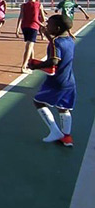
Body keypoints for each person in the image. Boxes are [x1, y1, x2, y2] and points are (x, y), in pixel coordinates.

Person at [28, 14, 76, 146]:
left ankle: (55, 131)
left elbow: (54, 61)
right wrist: (47, 35)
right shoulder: (70, 40)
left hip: (56, 82)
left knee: (38, 102)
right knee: (63, 108)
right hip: (69, 81)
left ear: (57, 28)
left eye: (49, 24)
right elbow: (57, 45)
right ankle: (66, 138)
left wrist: (36, 66)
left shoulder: (56, 42)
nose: (46, 25)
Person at [15, 0, 47, 74]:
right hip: (33, 27)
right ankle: (24, 66)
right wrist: (43, 25)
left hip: (24, 27)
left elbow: (21, 17)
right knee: (29, 46)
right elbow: (39, 19)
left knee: (30, 45)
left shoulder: (23, 6)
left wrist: (17, 29)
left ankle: (31, 62)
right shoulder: (38, 5)